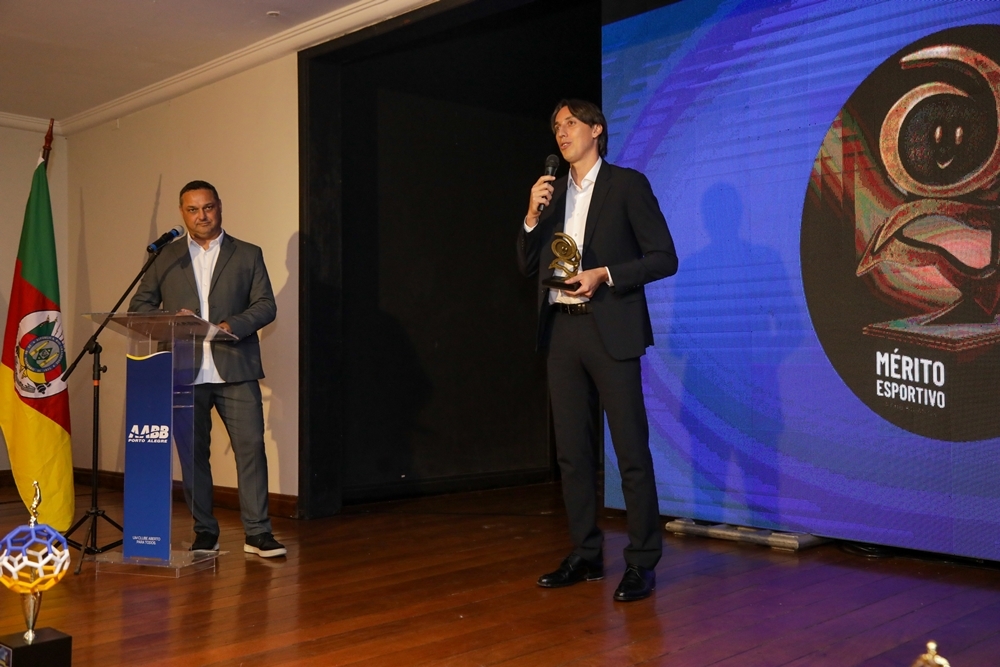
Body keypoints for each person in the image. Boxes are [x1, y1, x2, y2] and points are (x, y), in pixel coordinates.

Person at [517, 100, 677, 601]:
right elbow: (526, 264)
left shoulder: (626, 185)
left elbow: (664, 257)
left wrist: (605, 274)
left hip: (610, 328)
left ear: (596, 129)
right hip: (562, 332)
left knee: (630, 450)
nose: (561, 132)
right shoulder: (551, 194)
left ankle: (642, 561)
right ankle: (585, 553)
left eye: (570, 123)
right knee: (572, 453)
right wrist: (531, 215)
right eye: (556, 126)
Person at [129, 180, 285, 558]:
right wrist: (173, 318)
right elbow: (139, 308)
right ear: (182, 213)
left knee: (251, 449)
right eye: (193, 209)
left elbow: (266, 305)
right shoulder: (166, 257)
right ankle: (205, 531)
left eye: (208, 207)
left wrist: (231, 325)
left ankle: (258, 533)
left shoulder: (247, 253)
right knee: (193, 454)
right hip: (184, 370)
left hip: (236, 367)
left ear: (219, 207)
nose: (202, 216)